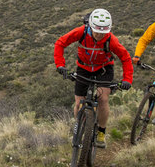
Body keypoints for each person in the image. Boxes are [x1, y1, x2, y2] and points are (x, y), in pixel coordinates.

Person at [54, 8, 133, 148]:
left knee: (103, 99)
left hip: (103, 69)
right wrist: (60, 65)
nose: (99, 35)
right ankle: (78, 128)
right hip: (83, 68)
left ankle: (101, 132)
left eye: (103, 32)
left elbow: (125, 58)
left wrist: (127, 79)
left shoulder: (111, 39)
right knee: (79, 102)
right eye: (96, 31)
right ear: (90, 26)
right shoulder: (81, 32)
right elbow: (60, 43)